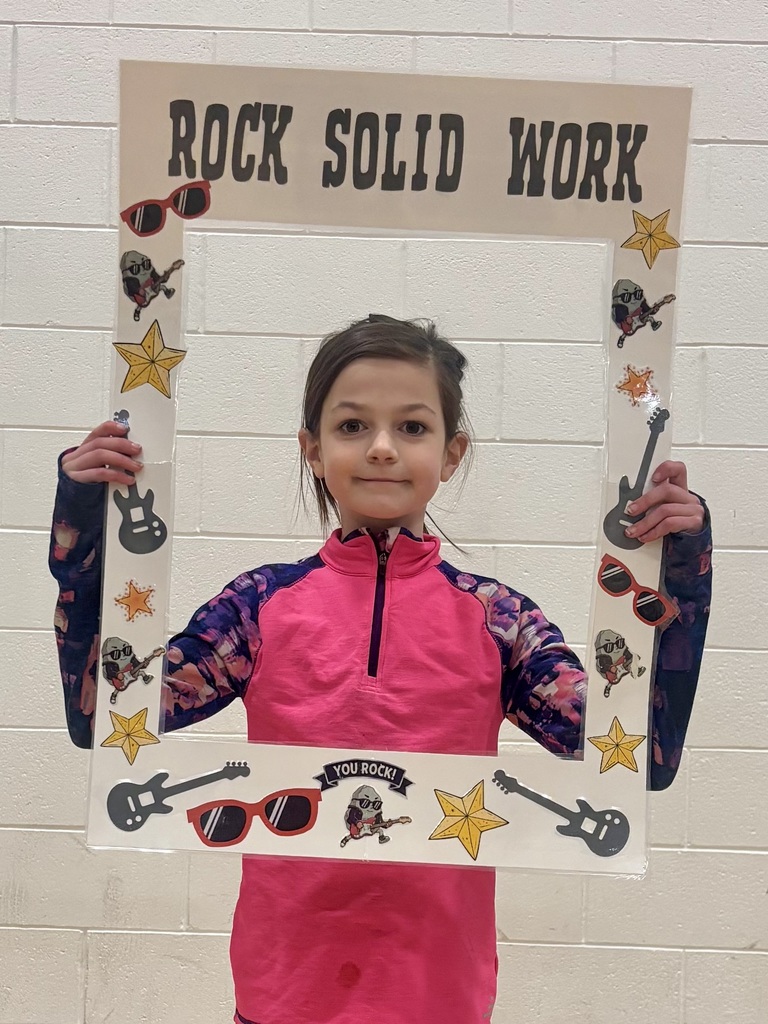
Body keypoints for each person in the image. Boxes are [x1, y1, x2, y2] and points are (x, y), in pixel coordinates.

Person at [49, 315, 712, 1024]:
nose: (384, 448)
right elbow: (102, 709)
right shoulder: (258, 607)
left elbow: (646, 755)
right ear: (312, 448)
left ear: (453, 453)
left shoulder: (500, 620)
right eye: (353, 426)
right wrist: (84, 525)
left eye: (414, 428)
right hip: (284, 992)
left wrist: (679, 568)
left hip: (440, 994)